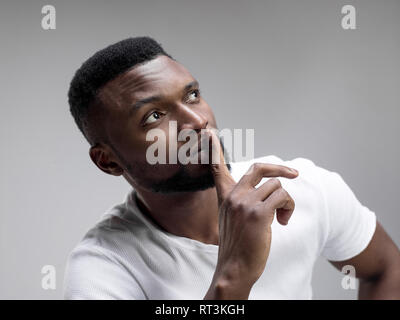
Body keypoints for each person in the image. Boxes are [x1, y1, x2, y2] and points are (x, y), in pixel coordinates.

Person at [63, 37, 400, 299]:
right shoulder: (103, 269)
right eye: (154, 116)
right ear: (108, 161)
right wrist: (234, 272)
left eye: (192, 95)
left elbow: (386, 269)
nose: (197, 121)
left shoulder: (297, 187)